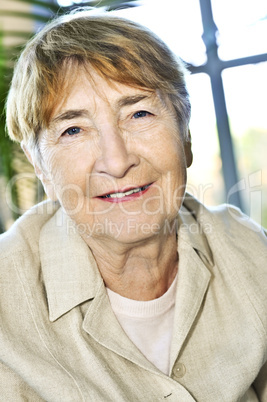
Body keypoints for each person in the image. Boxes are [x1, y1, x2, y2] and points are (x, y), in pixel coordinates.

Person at [0, 8, 266, 401]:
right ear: (39, 165)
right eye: (74, 129)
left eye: (139, 113)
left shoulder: (252, 252)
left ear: (186, 135)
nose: (117, 159)